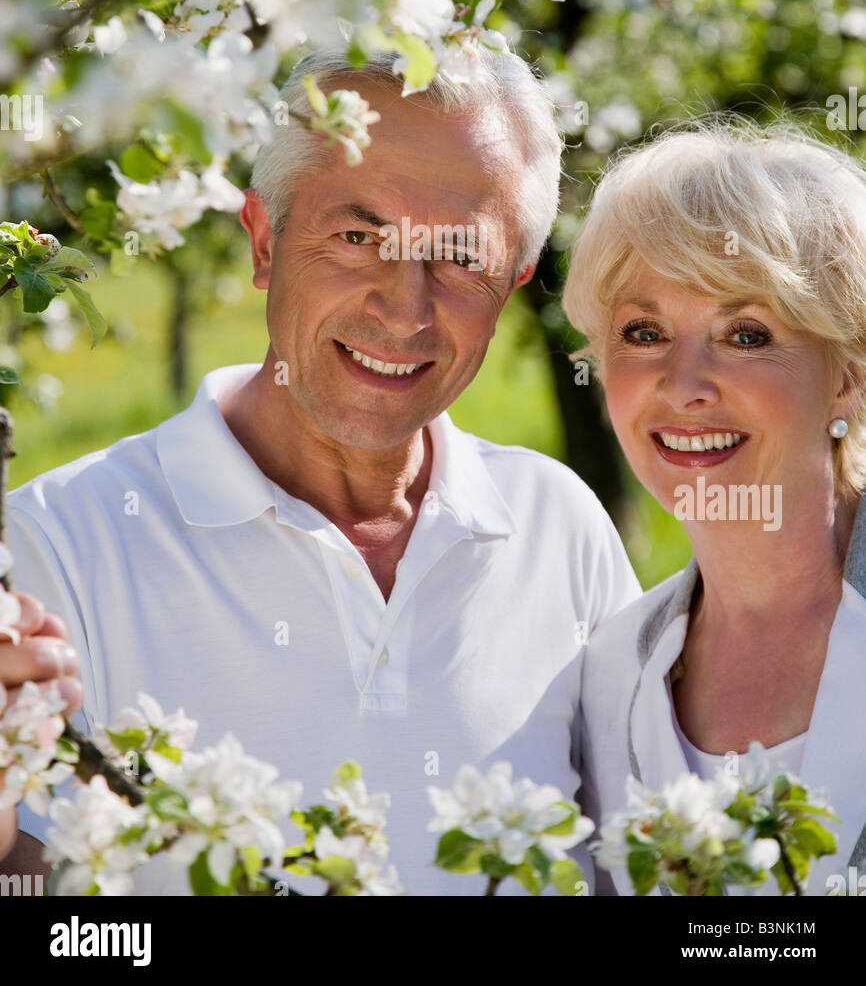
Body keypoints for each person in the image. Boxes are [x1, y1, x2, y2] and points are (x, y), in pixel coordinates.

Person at [0, 48, 640, 895]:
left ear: (516, 280)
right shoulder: (59, 545)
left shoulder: (559, 526)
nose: (402, 307)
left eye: (458, 256)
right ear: (264, 241)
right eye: (356, 235)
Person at [564, 117, 866, 896]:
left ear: (848, 377)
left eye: (746, 333)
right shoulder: (608, 675)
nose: (683, 383)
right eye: (643, 331)